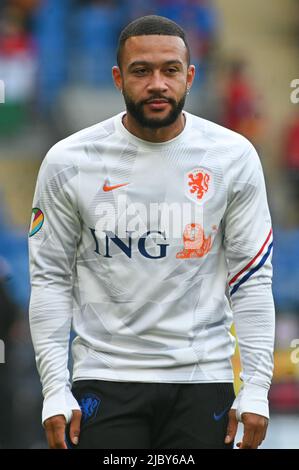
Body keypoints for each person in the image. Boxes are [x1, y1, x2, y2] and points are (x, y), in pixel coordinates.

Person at [28, 15, 275, 450]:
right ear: (118, 77)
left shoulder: (232, 157)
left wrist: (257, 386)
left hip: (203, 379)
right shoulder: (69, 161)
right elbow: (49, 278)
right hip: (104, 380)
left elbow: (252, 280)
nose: (157, 83)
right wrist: (54, 388)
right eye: (141, 71)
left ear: (190, 76)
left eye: (170, 70)